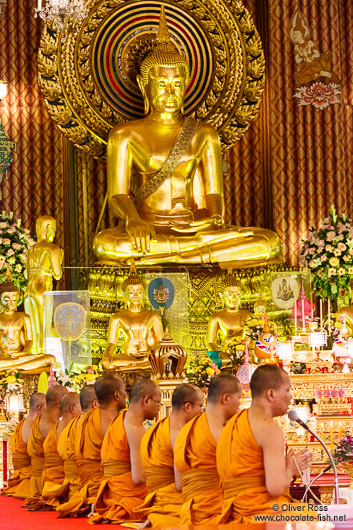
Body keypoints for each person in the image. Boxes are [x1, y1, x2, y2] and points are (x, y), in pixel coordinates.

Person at [93, 7, 280, 267]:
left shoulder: (204, 133)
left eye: (177, 84)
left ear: (187, 84)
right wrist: (133, 220)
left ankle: (182, 256)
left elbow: (213, 192)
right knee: (107, 244)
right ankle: (195, 256)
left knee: (268, 241)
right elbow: (117, 195)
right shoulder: (125, 134)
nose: (170, 92)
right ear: (142, 84)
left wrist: (215, 220)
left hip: (195, 230)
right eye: (161, 84)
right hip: (148, 230)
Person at [217, 364, 313, 523]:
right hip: (259, 514)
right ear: (271, 394)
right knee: (317, 516)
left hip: (229, 512)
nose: (291, 397)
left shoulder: (232, 424)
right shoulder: (269, 428)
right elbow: (275, 489)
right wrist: (290, 469)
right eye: (287, 390)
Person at [89, 379, 160, 524]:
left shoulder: (119, 420)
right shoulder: (136, 429)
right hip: (125, 497)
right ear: (146, 400)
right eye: (158, 402)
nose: (159, 408)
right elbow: (138, 478)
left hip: (109, 493)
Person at [174, 374, 242, 525]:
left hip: (189, 515)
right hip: (221, 515)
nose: (240, 404)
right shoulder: (224, 434)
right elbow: (241, 481)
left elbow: (179, 485)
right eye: (238, 397)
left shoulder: (184, 432)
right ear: (226, 398)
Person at [57, 374, 126, 518]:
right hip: (108, 488)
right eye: (125, 390)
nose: (127, 394)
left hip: (82, 487)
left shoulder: (80, 422)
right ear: (117, 395)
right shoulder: (114, 421)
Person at [136, 383, 204, 528]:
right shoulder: (179, 434)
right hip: (172, 501)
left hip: (154, 500)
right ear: (188, 407)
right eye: (200, 405)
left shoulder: (155, 428)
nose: (202, 411)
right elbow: (181, 485)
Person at [100, 264, 163, 372]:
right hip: (127, 356)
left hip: (147, 355)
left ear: (143, 294)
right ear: (125, 294)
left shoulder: (153, 316)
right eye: (131, 292)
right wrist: (106, 355)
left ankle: (139, 364)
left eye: (139, 292)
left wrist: (151, 352)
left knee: (162, 359)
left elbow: (160, 342)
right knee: (108, 364)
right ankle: (141, 364)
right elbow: (112, 343)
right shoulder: (117, 317)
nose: (135, 296)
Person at [24, 215, 63, 354]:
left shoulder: (31, 250)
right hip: (43, 290)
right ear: (47, 229)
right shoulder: (52, 248)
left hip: (28, 291)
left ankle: (34, 356)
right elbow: (57, 275)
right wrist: (61, 257)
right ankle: (43, 359)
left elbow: (26, 275)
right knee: (44, 327)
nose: (55, 232)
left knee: (33, 329)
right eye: (54, 229)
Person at [36, 393, 82, 510]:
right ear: (72, 408)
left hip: (49, 483)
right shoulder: (72, 430)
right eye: (80, 406)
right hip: (64, 483)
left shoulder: (55, 428)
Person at [25, 385, 68, 502]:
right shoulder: (48, 423)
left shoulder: (47, 420)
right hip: (49, 484)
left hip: (47, 479)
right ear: (59, 403)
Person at [0, 281, 54, 371]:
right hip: (3, 357)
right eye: (6, 300)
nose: (10, 302)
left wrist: (25, 351)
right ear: (1, 300)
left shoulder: (24, 317)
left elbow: (29, 340)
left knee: (51, 358)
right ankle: (16, 367)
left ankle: (12, 367)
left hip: (21, 357)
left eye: (13, 299)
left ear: (17, 300)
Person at [2, 392, 46, 499]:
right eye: (48, 408)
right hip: (28, 478)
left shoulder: (25, 422)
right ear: (40, 408)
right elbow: (40, 454)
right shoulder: (31, 427)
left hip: (24, 474)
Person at [207, 275, 250, 364]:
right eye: (230, 294)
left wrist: (248, 350)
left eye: (237, 294)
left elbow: (252, 340)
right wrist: (218, 354)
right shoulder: (216, 318)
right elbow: (210, 342)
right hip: (225, 354)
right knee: (219, 362)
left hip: (245, 353)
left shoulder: (248, 316)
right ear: (221, 296)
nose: (235, 298)